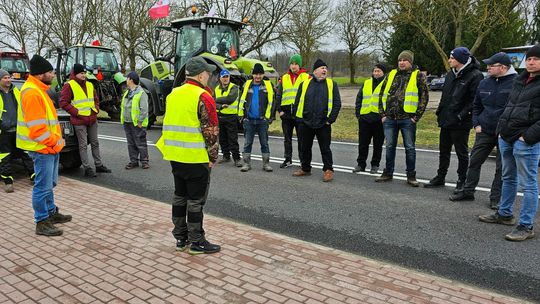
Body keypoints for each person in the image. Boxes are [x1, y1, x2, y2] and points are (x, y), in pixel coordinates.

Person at [156, 56, 221, 254]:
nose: (209, 76)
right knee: (195, 201)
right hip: (196, 157)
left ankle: (180, 238)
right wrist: (212, 157)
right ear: (201, 75)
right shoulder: (203, 96)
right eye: (208, 73)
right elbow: (211, 131)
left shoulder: (173, 94)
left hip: (175, 155)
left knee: (180, 196)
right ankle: (196, 241)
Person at [479, 45, 540, 242]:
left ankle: (526, 225)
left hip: (526, 140)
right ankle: (504, 214)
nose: (531, 62)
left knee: (528, 183)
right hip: (506, 136)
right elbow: (509, 107)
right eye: (529, 59)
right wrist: (500, 131)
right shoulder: (519, 80)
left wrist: (528, 136)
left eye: (536, 59)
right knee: (508, 177)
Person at [449, 52, 517, 209]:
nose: (488, 68)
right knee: (474, 161)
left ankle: (495, 198)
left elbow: (515, 109)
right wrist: (476, 124)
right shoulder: (485, 83)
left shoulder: (516, 83)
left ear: (504, 67)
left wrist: (507, 128)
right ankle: (468, 191)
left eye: (491, 66)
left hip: (505, 133)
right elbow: (476, 105)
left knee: (501, 167)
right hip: (484, 129)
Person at [17, 55, 71, 236]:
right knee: (42, 186)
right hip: (43, 148)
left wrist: (55, 144)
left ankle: (51, 213)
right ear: (41, 75)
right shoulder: (32, 92)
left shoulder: (39, 89)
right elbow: (37, 130)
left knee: (49, 183)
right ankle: (41, 221)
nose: (53, 74)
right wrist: (54, 143)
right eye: (50, 72)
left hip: (49, 147)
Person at [424, 47, 483, 192]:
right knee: (443, 150)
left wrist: (461, 115)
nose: (449, 60)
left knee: (461, 152)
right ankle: (440, 176)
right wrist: (440, 112)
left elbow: (473, 101)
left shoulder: (475, 76)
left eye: (452, 58)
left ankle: (462, 180)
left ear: (461, 60)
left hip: (461, 122)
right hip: (446, 119)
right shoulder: (450, 75)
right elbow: (445, 96)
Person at [375, 50, 429, 186]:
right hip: (390, 119)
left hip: (407, 119)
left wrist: (416, 117)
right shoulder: (391, 74)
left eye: (405, 60)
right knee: (389, 146)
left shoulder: (418, 76)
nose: (402, 62)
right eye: (400, 60)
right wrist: (382, 114)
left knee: (410, 148)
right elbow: (381, 94)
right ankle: (388, 172)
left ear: (410, 62)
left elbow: (424, 97)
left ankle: (411, 175)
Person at [292, 59, 341, 182]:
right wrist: (299, 119)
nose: (324, 70)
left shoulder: (331, 84)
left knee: (325, 148)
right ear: (315, 71)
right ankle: (305, 168)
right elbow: (297, 101)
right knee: (304, 147)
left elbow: (337, 103)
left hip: (323, 123)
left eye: (325, 68)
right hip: (306, 122)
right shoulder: (305, 84)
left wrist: (330, 120)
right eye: (322, 68)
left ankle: (328, 170)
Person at [59, 63, 111, 177]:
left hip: (91, 118)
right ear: (75, 74)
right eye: (81, 73)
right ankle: (87, 168)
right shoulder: (69, 85)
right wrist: (76, 112)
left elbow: (96, 99)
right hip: (79, 120)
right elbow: (63, 102)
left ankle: (98, 165)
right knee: (82, 145)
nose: (84, 75)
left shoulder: (89, 85)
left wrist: (96, 109)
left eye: (84, 73)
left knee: (95, 142)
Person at [0, 69, 34, 193]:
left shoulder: (16, 91)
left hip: (19, 128)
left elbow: (23, 106)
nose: (8, 80)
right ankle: (8, 181)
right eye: (5, 78)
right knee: (5, 157)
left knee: (25, 152)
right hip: (3, 131)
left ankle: (33, 175)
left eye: (9, 77)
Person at [238, 63, 274, 172]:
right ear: (252, 75)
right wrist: (242, 117)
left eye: (260, 74)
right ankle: (246, 164)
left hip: (262, 120)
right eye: (256, 74)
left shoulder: (268, 85)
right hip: (249, 120)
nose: (258, 76)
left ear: (263, 75)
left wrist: (268, 118)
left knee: (264, 143)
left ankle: (266, 164)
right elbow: (241, 101)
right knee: (247, 143)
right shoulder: (246, 85)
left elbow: (272, 103)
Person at [275, 54, 309, 168]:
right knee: (287, 139)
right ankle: (288, 159)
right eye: (292, 64)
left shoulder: (306, 77)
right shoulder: (284, 78)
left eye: (296, 64)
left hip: (300, 114)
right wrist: (279, 110)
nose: (294, 66)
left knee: (302, 139)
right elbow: (278, 95)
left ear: (299, 65)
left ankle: (302, 161)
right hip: (286, 114)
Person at [353, 63, 386, 174]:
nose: (376, 73)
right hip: (365, 118)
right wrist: (359, 114)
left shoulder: (386, 84)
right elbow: (359, 98)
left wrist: (385, 116)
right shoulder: (366, 83)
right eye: (375, 71)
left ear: (383, 73)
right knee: (363, 143)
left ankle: (375, 165)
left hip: (379, 119)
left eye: (378, 71)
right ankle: (361, 164)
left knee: (378, 144)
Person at [121, 71, 149, 169]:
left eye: (127, 78)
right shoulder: (127, 93)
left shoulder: (141, 93)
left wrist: (140, 121)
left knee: (140, 142)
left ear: (131, 80)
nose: (126, 80)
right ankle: (133, 161)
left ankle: (144, 161)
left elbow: (144, 109)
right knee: (131, 143)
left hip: (137, 123)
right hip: (127, 122)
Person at [213, 69, 242, 167]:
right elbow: (213, 103)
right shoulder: (216, 88)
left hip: (231, 117)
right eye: (223, 77)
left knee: (233, 139)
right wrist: (220, 106)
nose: (225, 79)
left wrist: (216, 100)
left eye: (227, 77)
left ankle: (237, 158)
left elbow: (230, 99)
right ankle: (226, 156)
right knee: (222, 139)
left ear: (229, 77)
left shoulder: (234, 87)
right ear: (220, 78)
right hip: (220, 116)